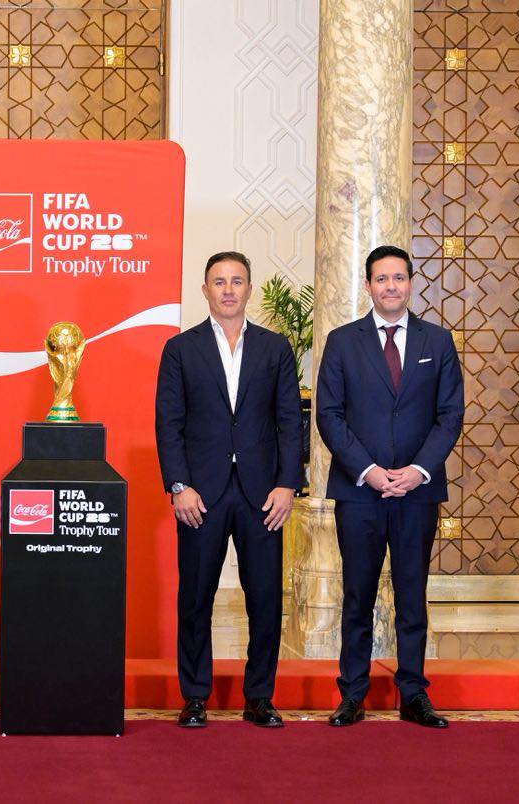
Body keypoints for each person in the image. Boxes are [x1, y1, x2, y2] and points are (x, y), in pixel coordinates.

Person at [314, 245, 464, 728]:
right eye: (381, 279)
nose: (391, 286)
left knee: (412, 596)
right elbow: (329, 415)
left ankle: (414, 694)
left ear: (411, 283)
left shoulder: (437, 341)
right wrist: (369, 470)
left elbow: (450, 415)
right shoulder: (342, 341)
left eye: (399, 277)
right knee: (357, 596)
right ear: (368, 286)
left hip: (417, 493)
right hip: (359, 491)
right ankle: (352, 694)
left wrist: (418, 470)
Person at [155, 251, 301, 729]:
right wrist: (179, 486)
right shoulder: (181, 349)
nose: (229, 289)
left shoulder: (275, 348)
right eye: (219, 281)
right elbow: (168, 424)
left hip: (263, 495)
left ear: (249, 289)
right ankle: (195, 696)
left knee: (265, 599)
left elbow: (289, 422)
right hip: (201, 493)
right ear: (205, 290)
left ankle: (259, 697)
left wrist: (287, 484)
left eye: (237, 281)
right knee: (196, 597)